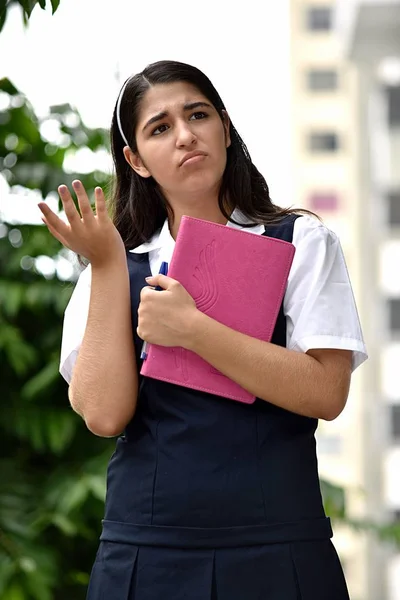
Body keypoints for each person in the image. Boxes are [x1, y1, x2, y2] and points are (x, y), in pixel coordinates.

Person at [38, 60, 368, 600]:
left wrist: (193, 329)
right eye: (159, 127)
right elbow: (103, 414)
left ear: (226, 126)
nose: (185, 135)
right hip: (146, 552)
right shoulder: (114, 265)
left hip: (277, 546)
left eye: (198, 114)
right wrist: (105, 264)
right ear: (136, 161)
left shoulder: (301, 242)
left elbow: (326, 392)